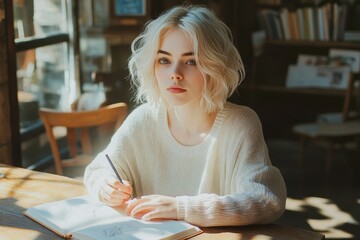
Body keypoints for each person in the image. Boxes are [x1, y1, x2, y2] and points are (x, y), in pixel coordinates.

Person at [84, 5, 286, 227]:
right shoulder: (143, 119)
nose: (175, 74)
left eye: (191, 61)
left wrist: (181, 208)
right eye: (164, 60)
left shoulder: (240, 123)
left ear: (214, 66)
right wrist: (106, 186)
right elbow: (98, 170)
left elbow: (267, 199)